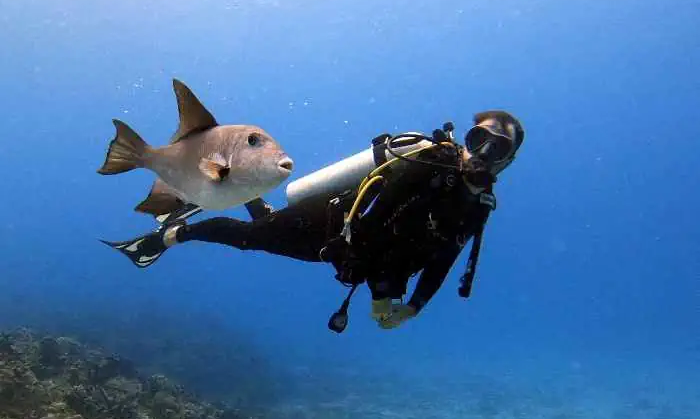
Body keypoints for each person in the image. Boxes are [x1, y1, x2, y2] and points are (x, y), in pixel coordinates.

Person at [102, 111, 524, 332]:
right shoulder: (429, 164)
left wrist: (415, 305)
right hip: (327, 227)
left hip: (350, 260)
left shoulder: (477, 206)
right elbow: (376, 222)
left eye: (496, 148)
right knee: (251, 237)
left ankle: (243, 190)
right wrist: (384, 294)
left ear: (509, 160)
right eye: (476, 140)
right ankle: (173, 234)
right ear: (464, 139)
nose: (481, 153)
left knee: (265, 228)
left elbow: (445, 257)